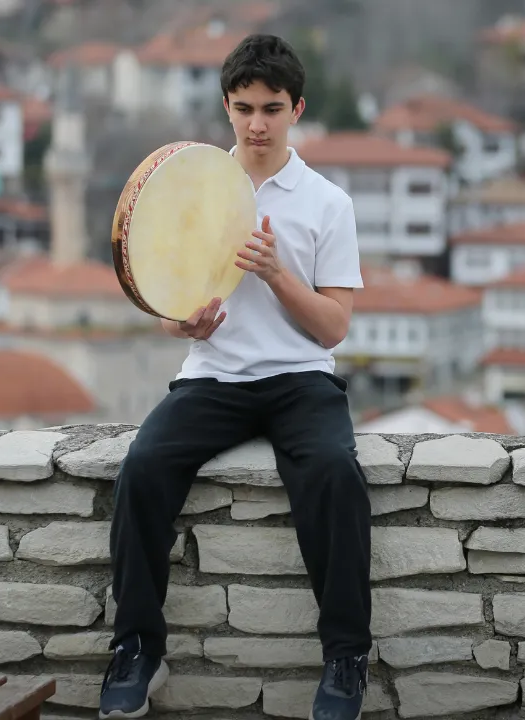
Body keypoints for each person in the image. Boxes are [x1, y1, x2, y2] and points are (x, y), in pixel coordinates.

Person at [98, 34, 372, 720]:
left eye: (272, 108)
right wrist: (184, 325)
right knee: (143, 468)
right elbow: (169, 306)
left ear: (297, 109)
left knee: (336, 473)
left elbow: (334, 329)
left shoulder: (326, 202)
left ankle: (345, 659)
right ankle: (137, 649)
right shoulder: (190, 184)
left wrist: (278, 273)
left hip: (299, 379)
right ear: (226, 106)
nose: (257, 123)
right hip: (212, 378)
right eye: (244, 107)